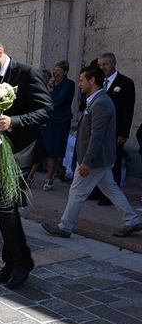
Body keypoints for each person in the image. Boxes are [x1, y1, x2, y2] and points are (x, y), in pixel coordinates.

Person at [0, 29, 53, 289]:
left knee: (5, 207)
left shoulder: (27, 73)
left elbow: (46, 110)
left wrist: (13, 122)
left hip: (20, 152)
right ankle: (10, 262)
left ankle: (22, 262)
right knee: (1, 209)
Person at [41, 65, 142, 238]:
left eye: (82, 80)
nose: (79, 84)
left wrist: (87, 161)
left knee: (77, 192)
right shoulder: (96, 100)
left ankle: (65, 227)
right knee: (111, 189)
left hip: (94, 159)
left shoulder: (101, 102)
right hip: (99, 159)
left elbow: (97, 136)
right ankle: (132, 220)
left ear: (92, 81)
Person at [92, 52, 137, 205]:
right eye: (100, 65)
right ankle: (96, 190)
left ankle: (109, 196)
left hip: (115, 130)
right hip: (99, 129)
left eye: (105, 64)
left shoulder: (125, 83)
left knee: (113, 162)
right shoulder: (97, 82)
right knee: (98, 160)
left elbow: (128, 110)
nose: (102, 67)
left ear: (113, 64)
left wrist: (123, 133)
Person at [27, 60, 75, 190]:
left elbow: (59, 101)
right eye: (54, 69)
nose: (55, 72)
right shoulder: (51, 84)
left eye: (58, 69)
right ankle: (30, 177)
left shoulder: (69, 84)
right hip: (47, 120)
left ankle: (49, 179)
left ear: (65, 71)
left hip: (59, 122)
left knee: (52, 151)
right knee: (40, 148)